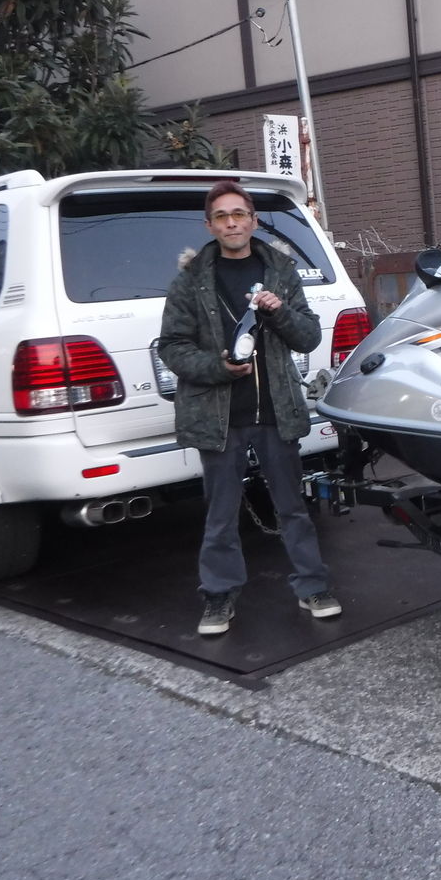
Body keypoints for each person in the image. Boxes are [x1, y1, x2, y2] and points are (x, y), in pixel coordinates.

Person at [159, 180, 340, 635]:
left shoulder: (281, 271)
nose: (232, 223)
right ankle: (218, 596)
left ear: (253, 221)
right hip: (218, 416)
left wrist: (280, 312)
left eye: (239, 214)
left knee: (293, 508)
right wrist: (217, 367)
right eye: (221, 216)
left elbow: (309, 337)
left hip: (276, 410)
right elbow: (172, 347)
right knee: (220, 516)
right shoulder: (190, 280)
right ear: (210, 226)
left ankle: (313, 587)